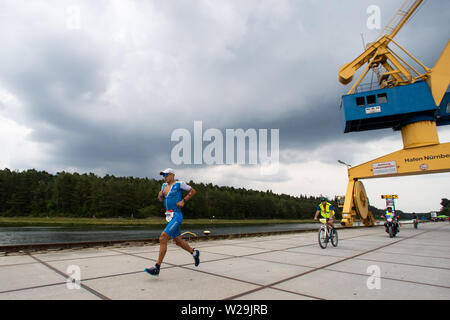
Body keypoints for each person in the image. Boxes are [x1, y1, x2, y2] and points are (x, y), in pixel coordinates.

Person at [145, 168, 199, 276]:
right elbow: (161, 199)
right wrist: (159, 196)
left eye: (166, 175)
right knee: (178, 241)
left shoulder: (180, 184)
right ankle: (194, 253)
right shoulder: (163, 186)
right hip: (168, 216)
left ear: (172, 175)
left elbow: (193, 191)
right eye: (163, 175)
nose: (164, 177)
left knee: (163, 237)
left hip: (177, 216)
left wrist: (183, 201)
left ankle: (157, 267)